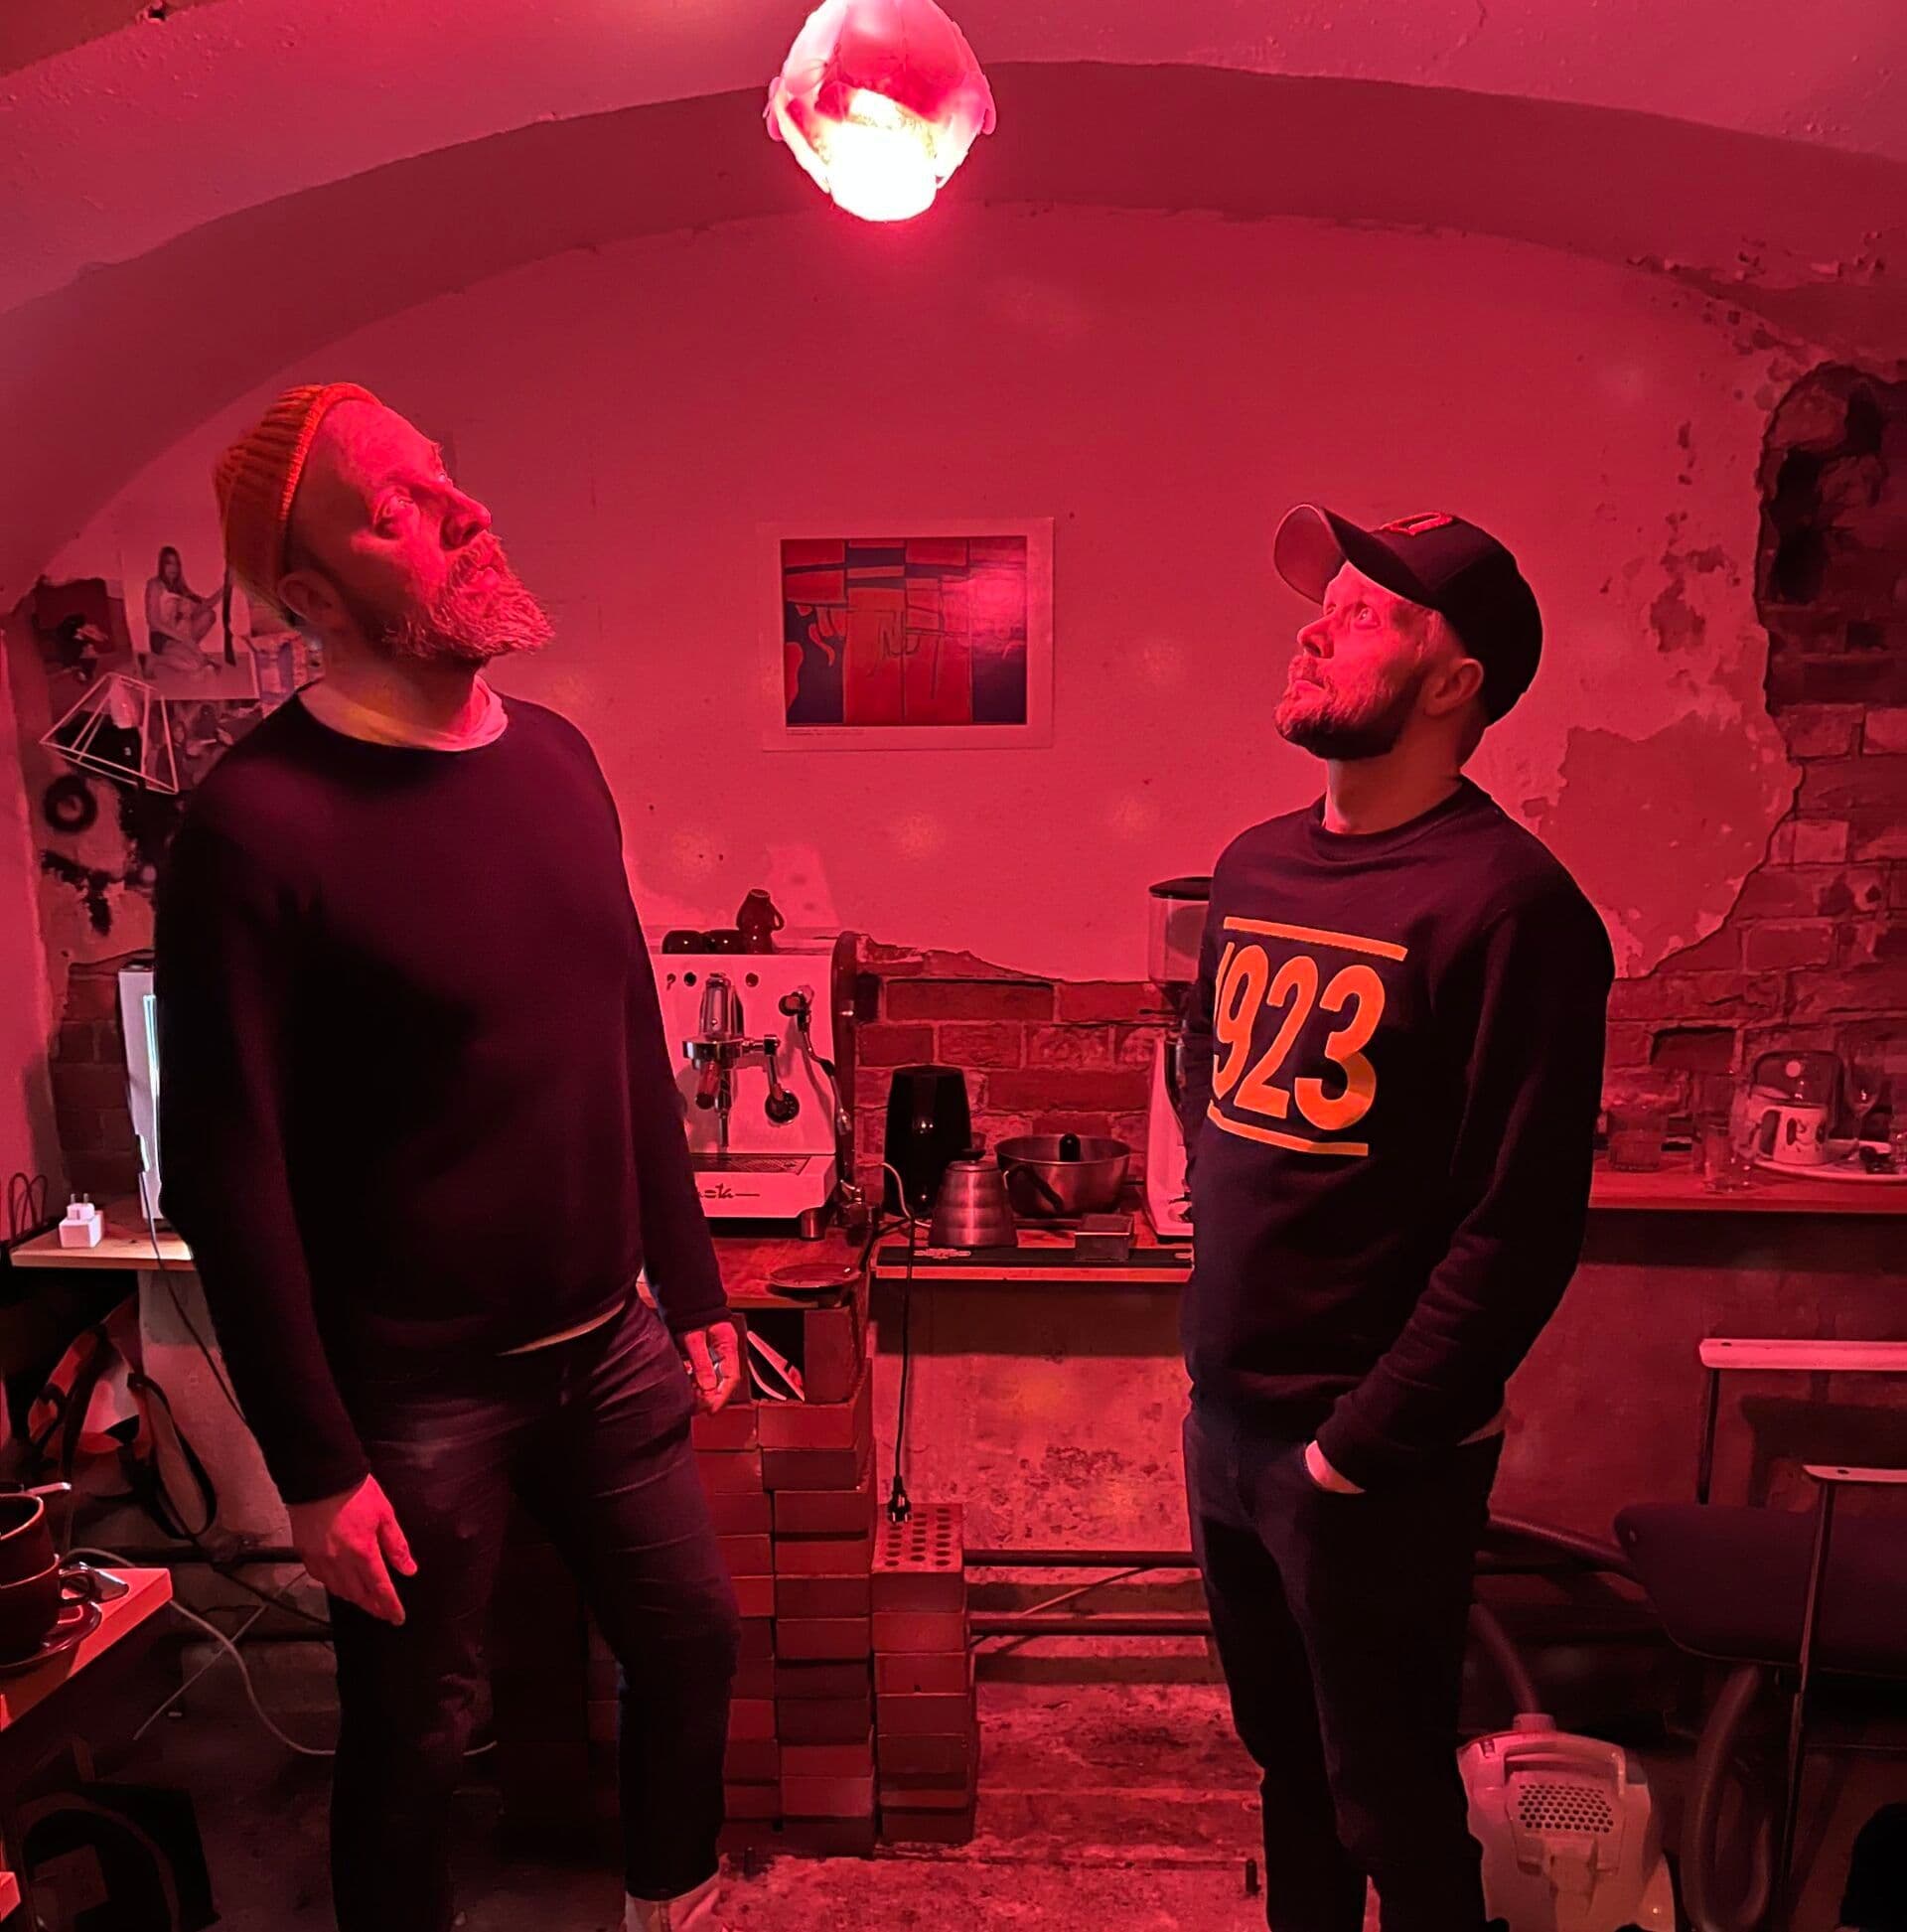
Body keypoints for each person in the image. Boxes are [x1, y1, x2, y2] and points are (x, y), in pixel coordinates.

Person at [155, 383, 743, 1932]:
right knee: (417, 1737)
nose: (463, 512)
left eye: (444, 479)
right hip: (415, 1395)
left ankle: (669, 1909)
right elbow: (223, 1167)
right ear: (310, 594)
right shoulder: (255, 828)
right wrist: (314, 1464)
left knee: (690, 1643)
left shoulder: (557, 756)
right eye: (398, 509)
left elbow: (624, 1018)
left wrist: (689, 1280)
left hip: (606, 1346)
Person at [1179, 506, 1614, 1932]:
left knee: (1392, 1800)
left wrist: (1356, 1450)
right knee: (1290, 1772)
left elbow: (1519, 1225)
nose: (1314, 628)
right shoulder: (1251, 867)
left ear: (1454, 679)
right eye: (1326, 604)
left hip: (1372, 1457)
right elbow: (1210, 1075)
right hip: (1228, 1427)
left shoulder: (1513, 909)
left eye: (1366, 612)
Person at [143, 544, 220, 673]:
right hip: (162, 638)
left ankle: (189, 654)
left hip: (179, 635)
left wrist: (226, 587)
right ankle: (155, 659)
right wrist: (185, 639)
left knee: (209, 615)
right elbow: (153, 621)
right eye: (169, 563)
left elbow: (206, 604)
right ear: (162, 565)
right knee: (194, 666)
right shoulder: (155, 585)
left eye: (176, 564)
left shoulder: (180, 588)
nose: (173, 568)